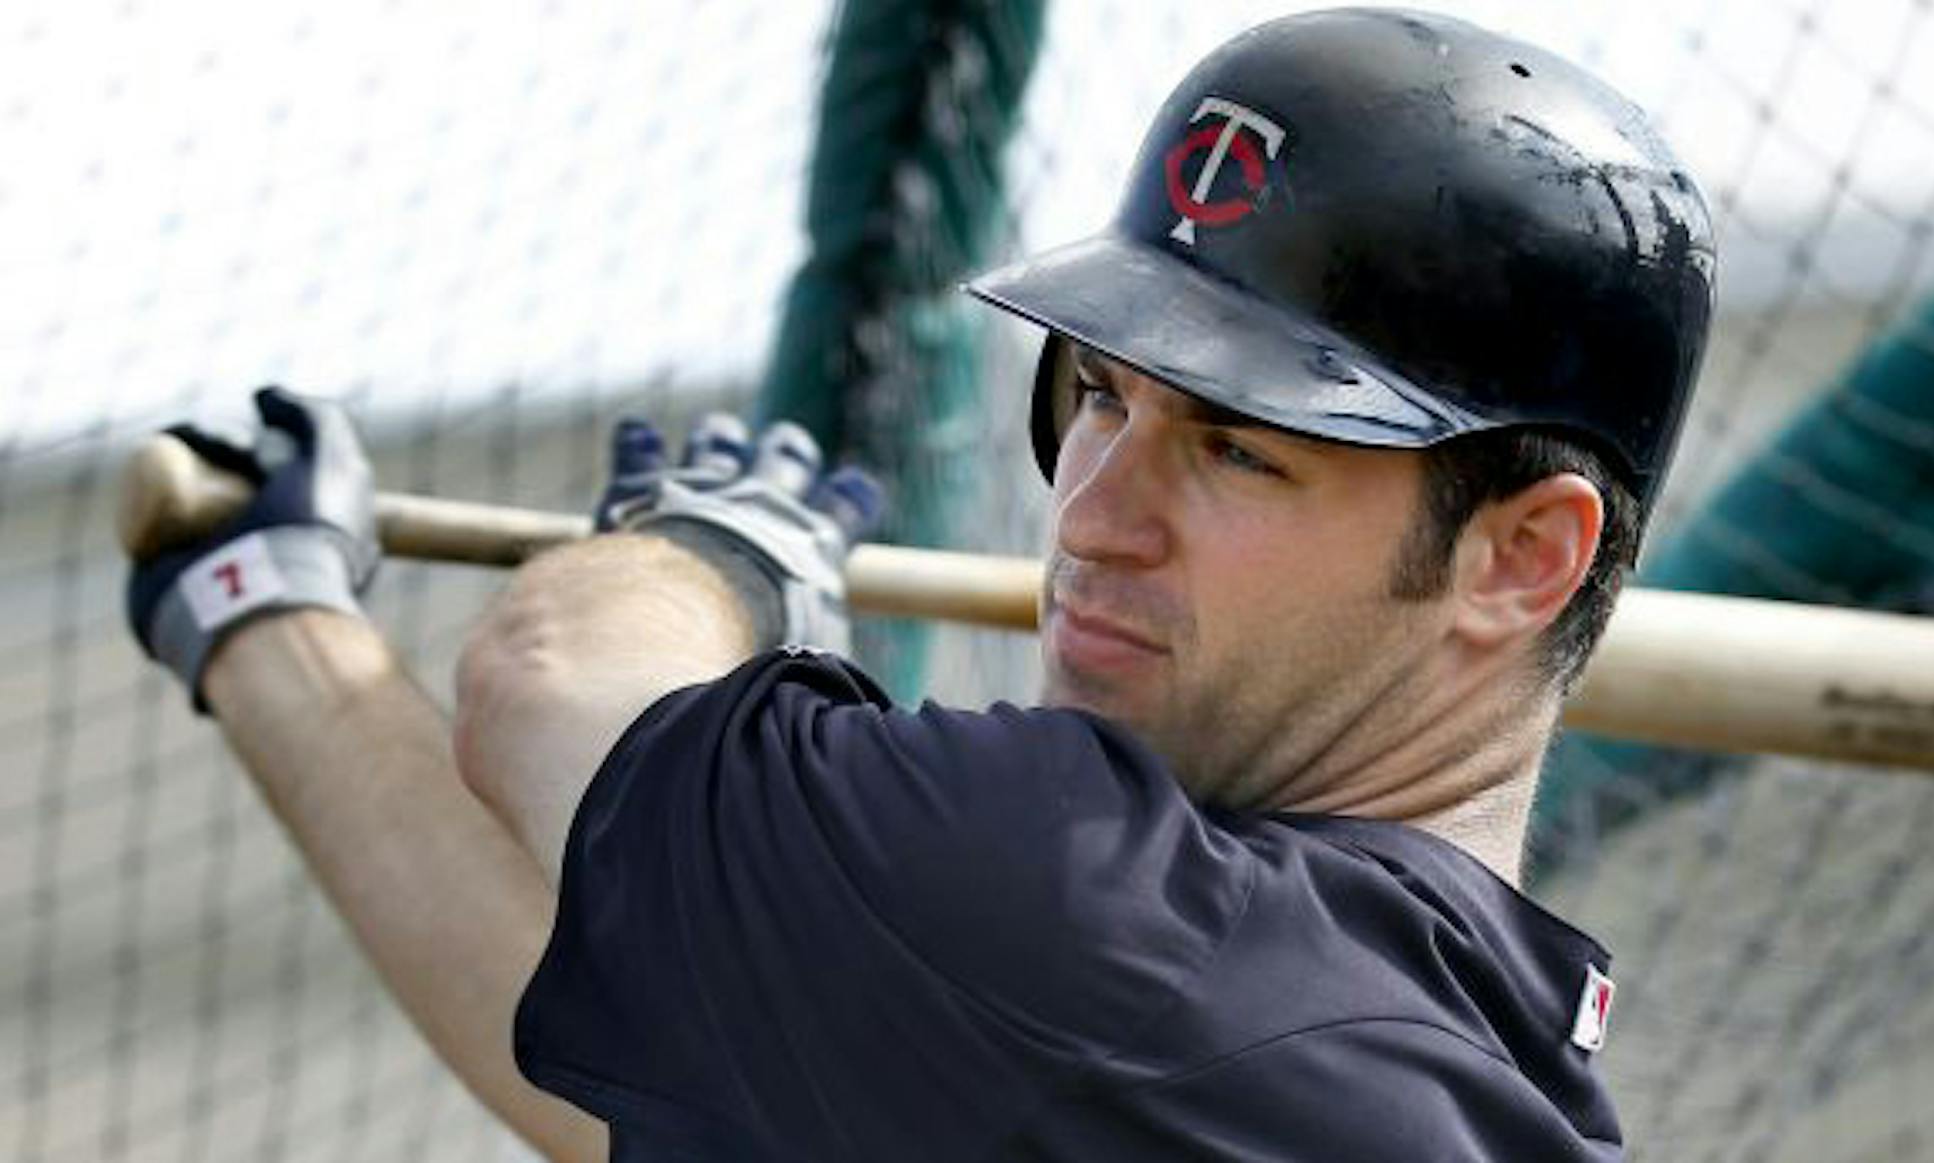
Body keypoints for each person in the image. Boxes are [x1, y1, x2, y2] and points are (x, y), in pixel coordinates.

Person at [126, 9, 1712, 1160]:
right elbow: (629, 1083)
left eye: (1239, 450)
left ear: (1521, 556)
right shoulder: (1459, 1065)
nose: (1095, 517)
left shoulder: (1116, 925)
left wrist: (720, 554)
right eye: (1100, 397)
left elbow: (551, 676)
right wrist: (267, 618)